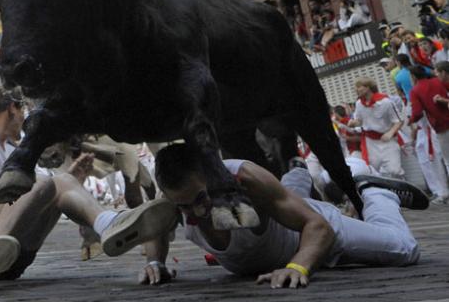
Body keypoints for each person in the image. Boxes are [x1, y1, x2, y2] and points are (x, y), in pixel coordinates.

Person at [0, 79, 177, 290]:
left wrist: (74, 180)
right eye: (24, 111)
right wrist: (23, 74)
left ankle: (109, 225)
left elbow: (45, 192)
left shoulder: (18, 150)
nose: (25, 120)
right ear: (13, 108)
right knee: (42, 182)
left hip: (12, 261)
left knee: (59, 182)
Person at [147, 143, 427, 288]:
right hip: (276, 232)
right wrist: (155, 262)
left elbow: (317, 226)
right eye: (183, 206)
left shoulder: (244, 178)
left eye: (201, 199)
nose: (196, 211)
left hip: (308, 237)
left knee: (404, 248)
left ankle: (377, 193)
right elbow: (153, 228)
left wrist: (298, 267)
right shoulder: (171, 200)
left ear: (211, 175)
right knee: (284, 198)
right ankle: (297, 172)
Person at [407, 66, 449, 204]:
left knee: (443, 161)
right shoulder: (438, 81)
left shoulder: (415, 90)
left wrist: (410, 120)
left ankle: (443, 192)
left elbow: (417, 113)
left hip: (438, 127)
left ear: (413, 76)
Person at [348, 77, 405, 179]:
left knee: (395, 170)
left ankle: (401, 186)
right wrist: (354, 123)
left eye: (359, 86)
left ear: (368, 87)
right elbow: (360, 121)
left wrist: (390, 133)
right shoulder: (359, 104)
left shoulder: (386, 102)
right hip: (370, 142)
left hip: (388, 141)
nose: (356, 89)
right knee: (372, 171)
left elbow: (399, 120)